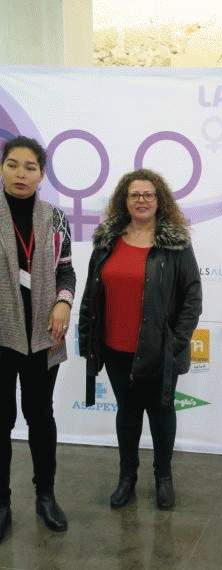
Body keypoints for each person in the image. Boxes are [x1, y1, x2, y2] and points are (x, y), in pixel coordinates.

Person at [79, 168, 202, 510]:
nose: (142, 200)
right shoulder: (107, 241)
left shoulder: (175, 243)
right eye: (135, 195)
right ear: (125, 200)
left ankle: (163, 478)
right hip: (115, 347)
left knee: (161, 412)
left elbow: (192, 296)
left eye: (148, 194)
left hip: (160, 350)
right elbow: (91, 292)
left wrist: (176, 341)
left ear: (159, 200)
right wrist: (87, 339)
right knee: (128, 412)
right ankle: (126, 478)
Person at [0, 136, 76, 541]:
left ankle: (45, 495)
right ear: (2, 168)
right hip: (1, 336)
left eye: (30, 167)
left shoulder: (55, 217)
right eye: (13, 164)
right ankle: (2, 502)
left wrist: (63, 302)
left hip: (44, 334)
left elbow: (67, 270)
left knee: (40, 416)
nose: (21, 174)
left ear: (41, 175)